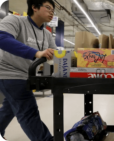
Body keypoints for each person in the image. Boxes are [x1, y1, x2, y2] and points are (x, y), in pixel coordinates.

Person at [0, 0, 57, 141]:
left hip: (27, 75)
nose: (52, 12)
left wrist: (49, 77)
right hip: (8, 73)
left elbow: (53, 58)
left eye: (53, 10)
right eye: (48, 8)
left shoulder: (47, 34)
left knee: (9, 109)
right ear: (34, 7)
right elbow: (2, 38)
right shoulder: (15, 20)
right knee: (28, 111)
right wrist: (36, 53)